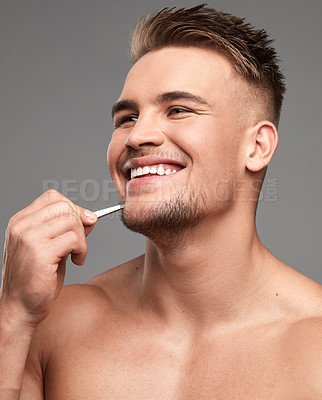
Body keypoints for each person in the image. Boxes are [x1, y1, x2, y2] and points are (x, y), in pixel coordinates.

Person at [0, 4, 321, 399]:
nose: (136, 137)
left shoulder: (314, 346)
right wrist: (13, 318)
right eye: (127, 118)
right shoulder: (50, 326)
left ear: (256, 146)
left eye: (179, 110)